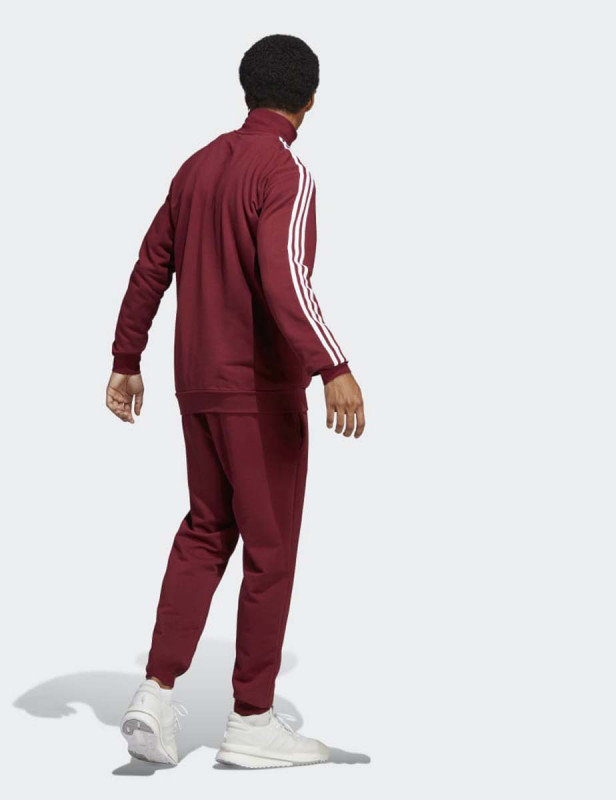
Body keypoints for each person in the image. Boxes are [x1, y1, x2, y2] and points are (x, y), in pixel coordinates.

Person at [106, 34, 365, 769]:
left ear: (246, 90)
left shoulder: (195, 166)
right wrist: (332, 364)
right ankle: (252, 719)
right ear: (310, 101)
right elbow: (286, 277)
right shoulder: (283, 170)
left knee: (206, 529)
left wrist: (127, 358)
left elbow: (150, 264)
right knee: (270, 549)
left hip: (196, 383)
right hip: (259, 388)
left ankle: (155, 694)